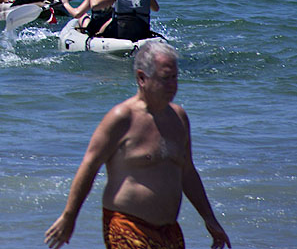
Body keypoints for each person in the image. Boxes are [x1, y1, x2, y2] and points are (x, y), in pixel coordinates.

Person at [44, 43, 231, 249]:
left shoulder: (179, 118)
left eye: (175, 78)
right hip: (127, 226)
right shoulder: (122, 118)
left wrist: (209, 218)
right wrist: (69, 217)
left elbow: (187, 172)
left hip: (168, 231)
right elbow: (89, 167)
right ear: (142, 78)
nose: (172, 85)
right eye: (165, 78)